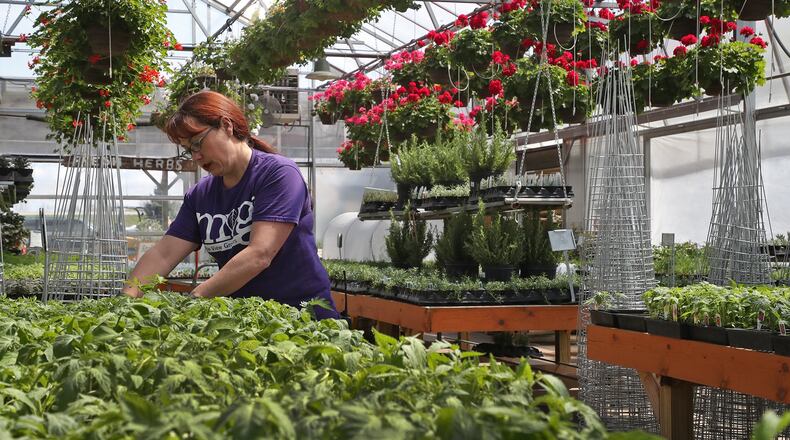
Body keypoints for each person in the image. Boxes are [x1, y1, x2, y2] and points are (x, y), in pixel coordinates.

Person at [122, 90, 339, 320]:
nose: (195, 156)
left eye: (197, 143)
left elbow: (259, 254)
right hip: (247, 321)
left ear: (226, 125)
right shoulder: (201, 195)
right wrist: (125, 302)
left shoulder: (278, 175)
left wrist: (195, 300)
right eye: (189, 150)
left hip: (304, 319)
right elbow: (163, 255)